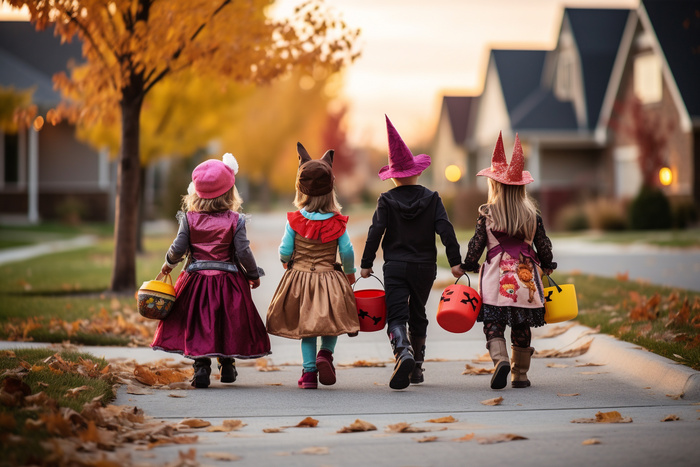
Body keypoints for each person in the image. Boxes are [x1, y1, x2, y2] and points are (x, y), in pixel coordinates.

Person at [360, 116, 464, 390]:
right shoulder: (432, 198)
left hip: (394, 265)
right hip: (423, 267)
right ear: (418, 172)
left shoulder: (387, 199)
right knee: (418, 312)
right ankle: (416, 367)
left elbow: (376, 231)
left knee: (396, 315)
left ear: (392, 176)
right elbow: (446, 230)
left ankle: (402, 351)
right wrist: (455, 262)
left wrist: (366, 263)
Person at [152, 154, 271, 388]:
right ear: (230, 193)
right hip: (229, 281)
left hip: (195, 281)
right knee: (226, 321)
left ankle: (201, 367)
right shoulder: (235, 220)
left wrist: (168, 264)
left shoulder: (189, 219)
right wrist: (253, 274)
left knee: (198, 323)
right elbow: (244, 252)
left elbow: (178, 248)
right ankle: (227, 365)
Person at [461, 132, 556, 390]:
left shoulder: (487, 214)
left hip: (496, 279)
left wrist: (467, 265)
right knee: (522, 324)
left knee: (494, 323)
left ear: (494, 185)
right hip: (525, 279)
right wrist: (547, 264)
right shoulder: (531, 215)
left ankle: (500, 359)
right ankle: (520, 374)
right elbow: (543, 246)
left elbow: (475, 248)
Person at [266, 143, 360, 390]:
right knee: (331, 319)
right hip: (329, 276)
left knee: (307, 327)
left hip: (301, 277)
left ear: (301, 190)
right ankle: (325, 355)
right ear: (331, 190)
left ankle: (308, 374)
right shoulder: (337, 221)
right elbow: (347, 251)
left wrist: (286, 261)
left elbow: (285, 250)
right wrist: (349, 274)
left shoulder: (295, 220)